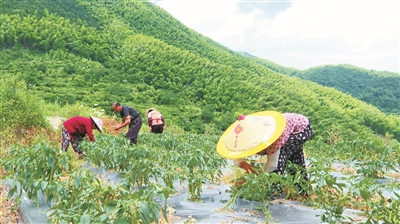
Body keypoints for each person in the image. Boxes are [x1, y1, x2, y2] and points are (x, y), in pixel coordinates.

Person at [219, 112, 312, 194]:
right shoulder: (241, 139)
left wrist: (252, 175)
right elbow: (236, 156)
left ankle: (276, 192)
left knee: (281, 158)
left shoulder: (273, 139)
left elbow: (272, 165)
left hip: (302, 128)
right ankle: (304, 190)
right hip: (290, 127)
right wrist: (245, 166)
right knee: (296, 161)